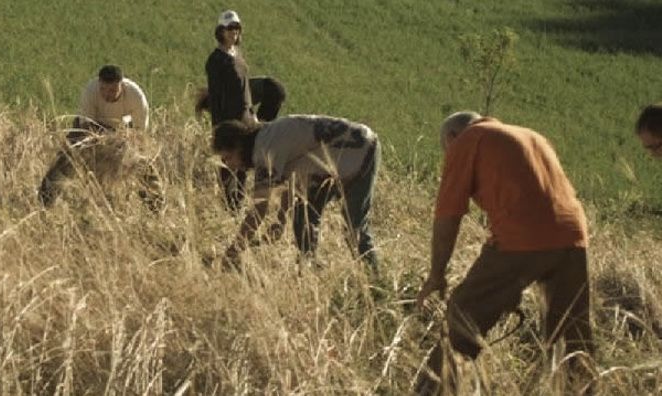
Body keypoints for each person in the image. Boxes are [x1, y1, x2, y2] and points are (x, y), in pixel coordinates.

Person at [413, 112, 595, 395]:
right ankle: (579, 389)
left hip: (522, 236)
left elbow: (448, 215)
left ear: (451, 139)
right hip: (573, 236)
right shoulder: (532, 136)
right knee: (571, 337)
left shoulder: (468, 140)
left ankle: (433, 390)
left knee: (462, 317)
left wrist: (436, 275)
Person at [211, 115, 380, 271]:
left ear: (239, 146)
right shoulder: (268, 136)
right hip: (345, 149)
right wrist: (281, 219)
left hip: (360, 149)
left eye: (228, 158)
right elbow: (295, 178)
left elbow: (258, 210)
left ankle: (373, 280)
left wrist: (233, 251)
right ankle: (309, 268)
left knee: (354, 226)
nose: (229, 166)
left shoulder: (265, 151)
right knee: (303, 213)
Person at [38, 65, 159, 209]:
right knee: (67, 156)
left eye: (112, 90)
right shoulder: (90, 91)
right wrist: (102, 143)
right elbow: (86, 127)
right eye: (103, 89)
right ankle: (46, 198)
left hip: (122, 130)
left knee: (141, 163)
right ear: (99, 84)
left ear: (122, 85)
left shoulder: (136, 96)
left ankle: (155, 202)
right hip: (92, 127)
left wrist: (123, 144)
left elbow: (139, 132)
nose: (107, 94)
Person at [205, 10, 260, 212]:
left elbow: (245, 89)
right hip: (228, 122)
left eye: (236, 28)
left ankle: (238, 204)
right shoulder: (216, 60)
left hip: (244, 119)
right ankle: (230, 208)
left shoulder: (237, 55)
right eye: (229, 28)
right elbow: (215, 96)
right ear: (220, 31)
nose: (233, 32)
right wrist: (219, 127)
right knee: (229, 164)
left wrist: (251, 112)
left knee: (243, 162)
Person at [195, 76, 287, 123]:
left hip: (272, 90)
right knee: (264, 129)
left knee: (261, 129)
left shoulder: (230, 98)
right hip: (274, 88)